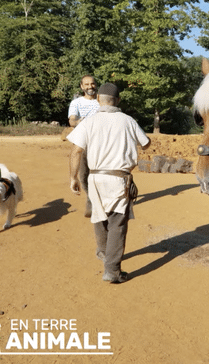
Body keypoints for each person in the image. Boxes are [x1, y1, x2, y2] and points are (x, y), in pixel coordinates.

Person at [68, 83, 150, 283]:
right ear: (118, 100)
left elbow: (76, 151)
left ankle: (104, 253)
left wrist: (73, 178)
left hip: (94, 177)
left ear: (98, 99)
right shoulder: (128, 120)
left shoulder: (88, 122)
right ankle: (112, 271)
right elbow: (146, 143)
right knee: (117, 223)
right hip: (119, 179)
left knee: (99, 215)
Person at [68, 75, 101, 217]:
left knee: (100, 173)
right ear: (81, 87)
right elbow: (72, 120)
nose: (90, 87)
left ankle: (97, 200)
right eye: (86, 84)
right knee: (84, 175)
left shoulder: (101, 101)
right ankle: (90, 198)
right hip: (83, 142)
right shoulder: (76, 103)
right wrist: (79, 122)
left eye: (92, 84)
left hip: (101, 142)